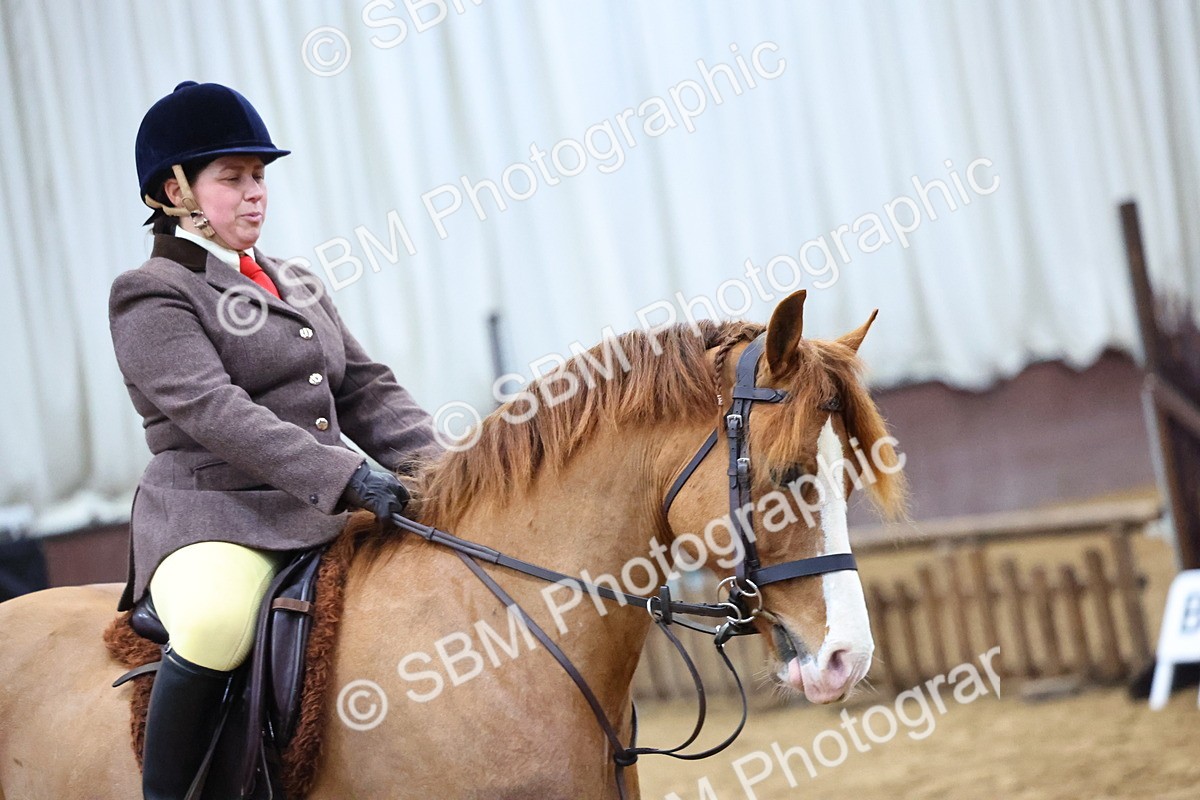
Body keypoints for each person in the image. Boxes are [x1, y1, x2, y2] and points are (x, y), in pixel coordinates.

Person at [109, 81, 443, 800]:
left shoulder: (296, 281)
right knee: (216, 623)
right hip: (216, 517)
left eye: (259, 176)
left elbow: (365, 388)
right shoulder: (151, 291)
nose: (255, 192)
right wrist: (347, 475)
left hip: (317, 507)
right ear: (172, 191)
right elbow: (215, 410)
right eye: (232, 178)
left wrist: (449, 470)